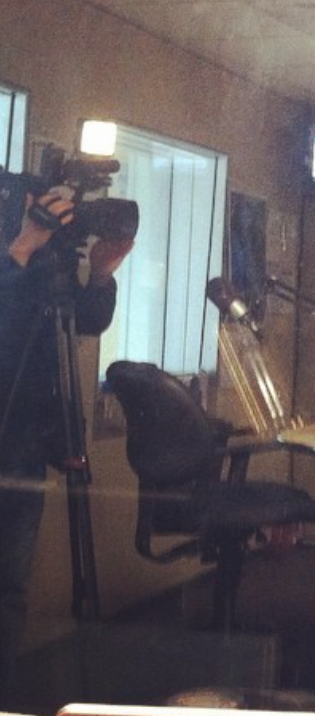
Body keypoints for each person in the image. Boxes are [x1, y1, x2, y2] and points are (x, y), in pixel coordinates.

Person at [0, 189, 133, 706]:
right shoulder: (18, 252)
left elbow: (83, 321)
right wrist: (20, 248)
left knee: (10, 589)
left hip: (25, 446)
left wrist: (100, 274)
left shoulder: (45, 266)